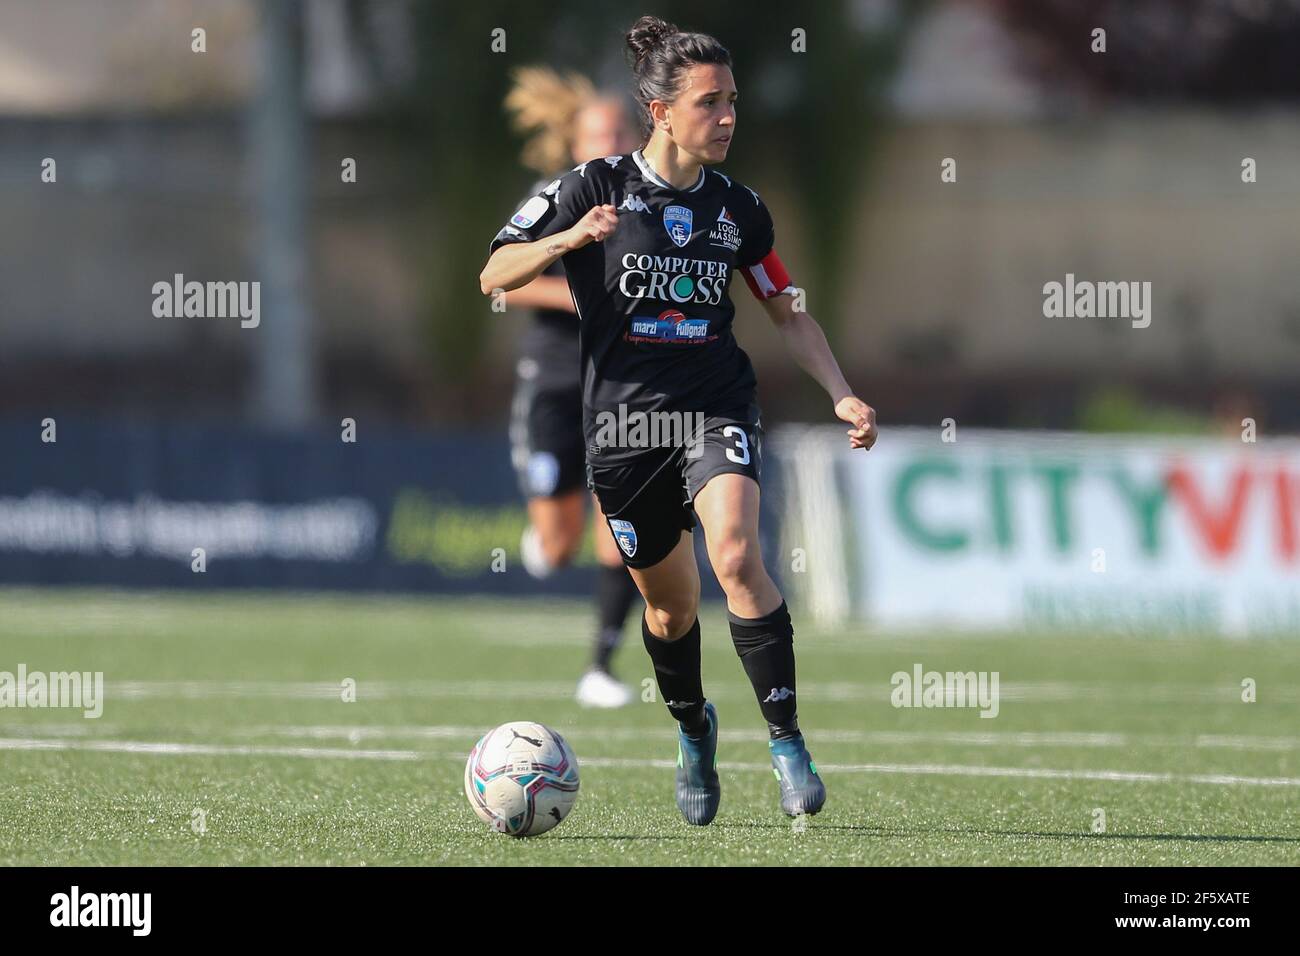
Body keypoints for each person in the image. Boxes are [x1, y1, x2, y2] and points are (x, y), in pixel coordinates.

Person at [480, 17, 877, 824]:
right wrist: (566, 237)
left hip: (714, 406)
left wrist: (839, 388)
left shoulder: (740, 209)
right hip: (623, 431)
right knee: (670, 610)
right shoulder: (590, 187)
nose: (728, 117)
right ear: (660, 111)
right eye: (710, 103)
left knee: (735, 555)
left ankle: (787, 741)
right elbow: (495, 270)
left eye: (732, 101)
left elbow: (786, 309)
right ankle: (695, 730)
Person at [500, 67, 641, 708]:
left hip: (624, 385)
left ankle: (601, 667)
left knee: (621, 526)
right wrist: (582, 297)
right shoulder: (558, 196)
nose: (608, 141)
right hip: (556, 380)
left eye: (618, 131)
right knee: (557, 547)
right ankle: (547, 538)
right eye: (597, 133)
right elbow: (505, 281)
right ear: (576, 142)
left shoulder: (653, 200)